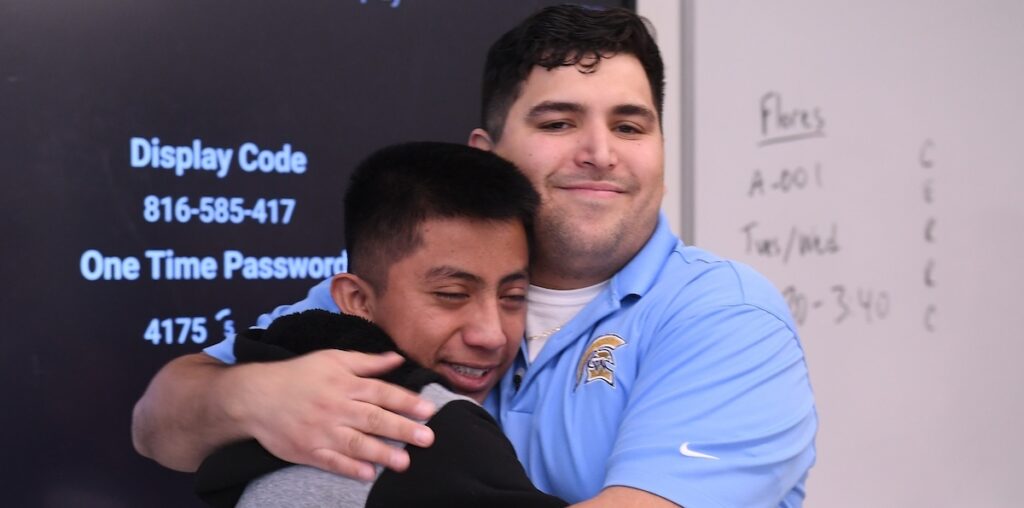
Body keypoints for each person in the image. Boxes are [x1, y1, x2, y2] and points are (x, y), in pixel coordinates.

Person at [133, 5, 817, 507]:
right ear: (486, 155)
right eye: (559, 122)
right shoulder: (381, 296)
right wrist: (251, 396)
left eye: (629, 125)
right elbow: (156, 427)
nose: (601, 153)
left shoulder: (723, 318)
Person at [194, 141, 564, 507]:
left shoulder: (275, 361)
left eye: (513, 296)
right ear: (357, 301)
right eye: (452, 294)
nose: (492, 334)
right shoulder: (435, 429)